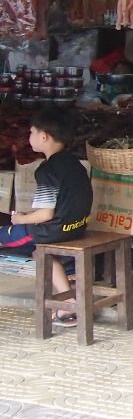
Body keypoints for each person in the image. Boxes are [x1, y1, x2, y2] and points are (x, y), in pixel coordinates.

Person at [0, 108, 92, 327]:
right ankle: (68, 299)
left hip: (51, 231)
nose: (29, 137)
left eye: (31, 132)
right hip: (76, 228)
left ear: (44, 136)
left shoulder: (47, 170)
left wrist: (19, 219)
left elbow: (46, 213)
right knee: (41, 253)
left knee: (13, 238)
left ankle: (68, 301)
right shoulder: (75, 165)